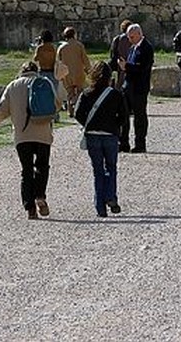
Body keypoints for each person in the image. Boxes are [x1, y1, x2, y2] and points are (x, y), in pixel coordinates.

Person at [0, 60, 60, 220]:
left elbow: (2, 109)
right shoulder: (45, 82)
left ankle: (30, 207)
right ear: (36, 71)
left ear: (22, 71)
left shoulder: (13, 86)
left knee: (26, 170)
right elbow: (57, 104)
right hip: (43, 133)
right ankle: (40, 195)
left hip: (22, 135)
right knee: (42, 166)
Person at [74, 61, 129, 217]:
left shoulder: (86, 93)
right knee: (111, 167)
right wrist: (114, 126)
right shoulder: (116, 94)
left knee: (98, 170)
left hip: (93, 135)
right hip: (110, 135)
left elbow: (78, 114)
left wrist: (89, 124)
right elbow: (124, 117)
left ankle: (100, 207)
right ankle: (111, 196)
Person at [120, 23, 153, 153]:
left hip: (139, 87)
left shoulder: (146, 48)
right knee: (123, 115)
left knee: (139, 116)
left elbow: (142, 68)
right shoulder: (133, 48)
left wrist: (126, 66)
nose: (130, 39)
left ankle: (140, 143)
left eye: (132, 37)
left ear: (139, 34)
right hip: (128, 86)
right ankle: (124, 143)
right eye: (129, 37)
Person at [56, 26, 92, 116]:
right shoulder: (79, 45)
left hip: (67, 73)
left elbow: (58, 60)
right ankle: (78, 109)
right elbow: (85, 59)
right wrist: (89, 70)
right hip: (78, 71)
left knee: (70, 92)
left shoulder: (62, 47)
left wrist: (58, 73)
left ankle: (70, 111)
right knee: (80, 92)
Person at [108, 19, 133, 88]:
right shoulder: (134, 39)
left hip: (120, 62)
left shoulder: (117, 39)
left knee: (119, 82)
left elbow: (113, 53)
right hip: (131, 62)